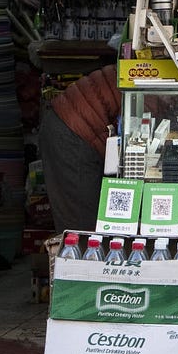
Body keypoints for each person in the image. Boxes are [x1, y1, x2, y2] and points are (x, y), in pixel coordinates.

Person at [39, 64, 120, 234]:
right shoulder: (159, 87)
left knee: (80, 212)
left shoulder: (152, 74)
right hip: (71, 130)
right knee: (80, 221)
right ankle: (78, 259)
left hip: (69, 121)